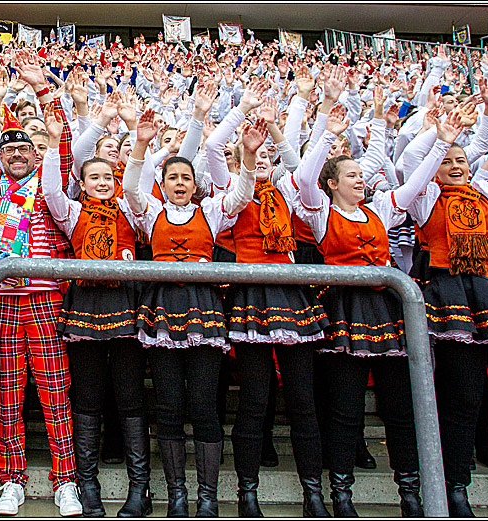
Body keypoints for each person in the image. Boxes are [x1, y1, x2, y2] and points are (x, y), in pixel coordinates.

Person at [295, 82, 466, 516]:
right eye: (352, 175)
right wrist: (324, 125)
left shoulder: (384, 208)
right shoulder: (319, 212)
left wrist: (442, 142)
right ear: (333, 184)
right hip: (345, 309)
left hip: (388, 309)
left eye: (361, 175)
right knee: (346, 406)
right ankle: (342, 493)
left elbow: (420, 180)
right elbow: (305, 177)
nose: (361, 179)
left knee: (400, 405)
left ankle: (410, 491)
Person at [0, 52, 82, 517]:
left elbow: (62, 144)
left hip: (43, 298)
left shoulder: (49, 186)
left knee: (54, 389)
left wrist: (42, 87)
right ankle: (10, 479)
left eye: (26, 148)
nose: (18, 154)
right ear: (0, 157)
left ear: (37, 153)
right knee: (5, 392)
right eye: (10, 150)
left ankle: (66, 482)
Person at [205, 82, 332, 516]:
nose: (262, 160)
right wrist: (242, 114)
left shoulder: (287, 190)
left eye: (267, 157)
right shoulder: (231, 184)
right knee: (256, 398)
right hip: (251, 295)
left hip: (291, 294)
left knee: (302, 398)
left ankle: (315, 492)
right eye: (254, 155)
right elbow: (213, 149)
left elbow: (305, 169)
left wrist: (280, 130)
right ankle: (247, 492)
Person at [124, 108, 256, 518]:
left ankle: (207, 496)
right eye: (172, 178)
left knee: (203, 403)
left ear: (195, 184)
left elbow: (240, 196)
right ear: (162, 186)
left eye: (185, 178)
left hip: (203, 310)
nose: (179, 183)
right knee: (168, 405)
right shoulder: (149, 211)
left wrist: (248, 160)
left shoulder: (211, 211)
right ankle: (177, 493)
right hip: (163, 310)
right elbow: (130, 189)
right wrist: (141, 145)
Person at [40, 104, 151, 517]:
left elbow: (138, 181)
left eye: (108, 177)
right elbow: (51, 190)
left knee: (129, 395)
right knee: (86, 396)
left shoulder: (132, 209)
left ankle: (140, 489)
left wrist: (138, 145)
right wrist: (53, 144)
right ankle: (88, 485)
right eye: (95, 178)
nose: (103, 183)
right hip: (84, 309)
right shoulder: (71, 213)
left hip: (125, 305)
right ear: (82, 184)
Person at [403, 85, 488, 516]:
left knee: (475, 396)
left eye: (461, 161)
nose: (455, 166)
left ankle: (459, 480)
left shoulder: (485, 196)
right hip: (447, 299)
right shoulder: (426, 200)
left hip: (487, 296)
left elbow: (483, 149)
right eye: (447, 162)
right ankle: (450, 485)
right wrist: (438, 137)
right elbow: (408, 164)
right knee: (455, 394)